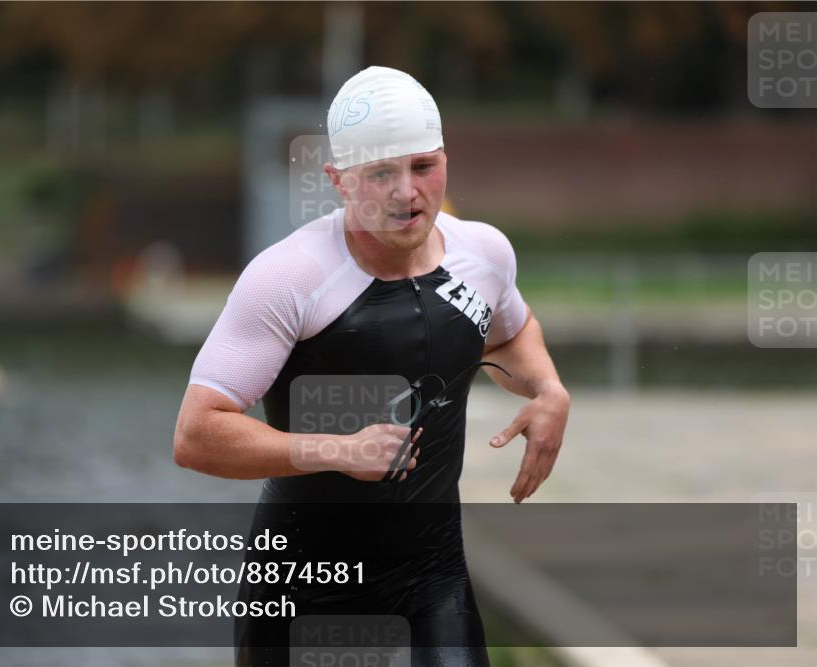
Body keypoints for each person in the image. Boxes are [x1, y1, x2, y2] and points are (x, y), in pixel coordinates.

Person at [174, 66, 570, 666]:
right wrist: (335, 450)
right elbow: (196, 434)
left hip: (432, 577)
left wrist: (548, 389)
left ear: (445, 159)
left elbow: (512, 333)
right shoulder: (290, 278)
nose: (407, 193)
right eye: (381, 173)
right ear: (338, 180)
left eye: (423, 167)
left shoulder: (483, 255)